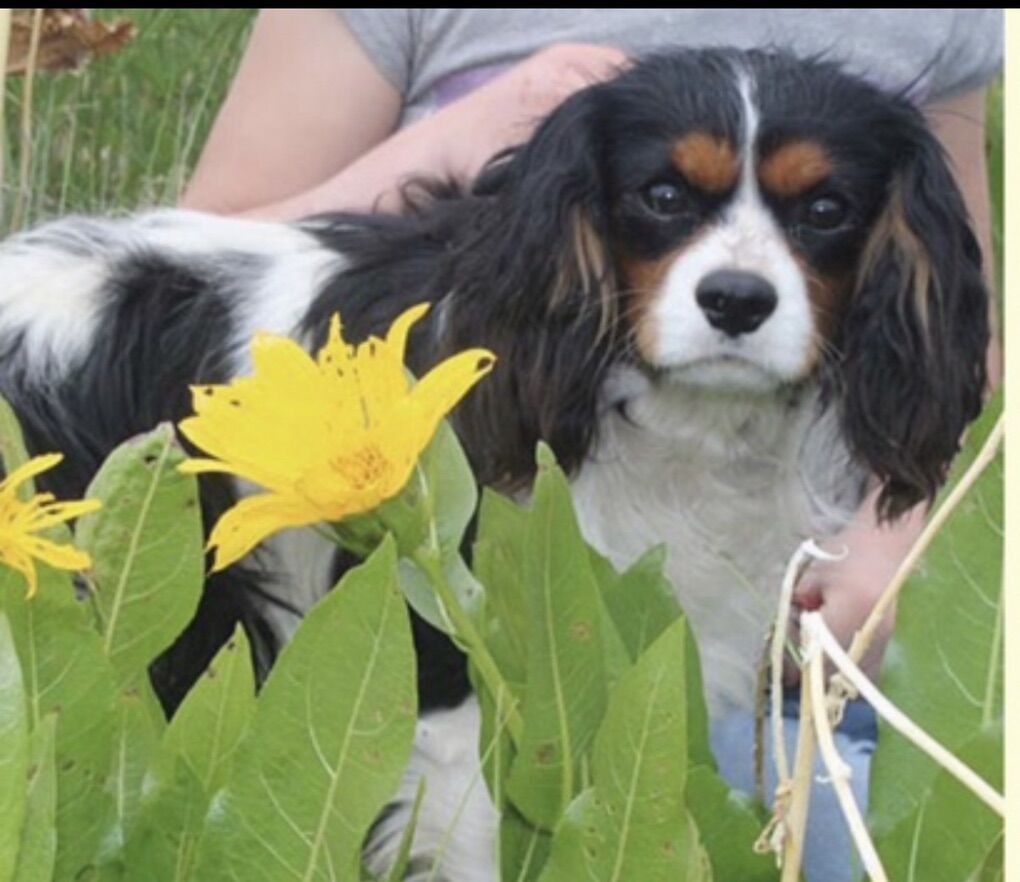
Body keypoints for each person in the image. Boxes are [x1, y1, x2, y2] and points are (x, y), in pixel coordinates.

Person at [181, 9, 1004, 880]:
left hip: (803, 665)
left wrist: (888, 540)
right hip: (364, 602)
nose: (740, 272)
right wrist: (454, 140)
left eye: (822, 210)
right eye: (664, 200)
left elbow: (955, 332)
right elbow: (210, 239)